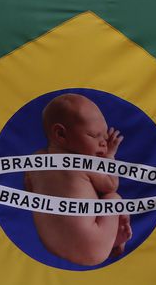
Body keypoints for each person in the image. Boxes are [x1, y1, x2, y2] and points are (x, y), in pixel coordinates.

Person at [23, 94, 131, 267]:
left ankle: (104, 235)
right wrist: (110, 156)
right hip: (92, 249)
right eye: (94, 135)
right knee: (113, 198)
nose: (103, 143)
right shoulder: (84, 163)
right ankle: (114, 238)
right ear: (61, 134)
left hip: (49, 243)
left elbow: (29, 190)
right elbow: (111, 184)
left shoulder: (36, 160)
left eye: (104, 136)